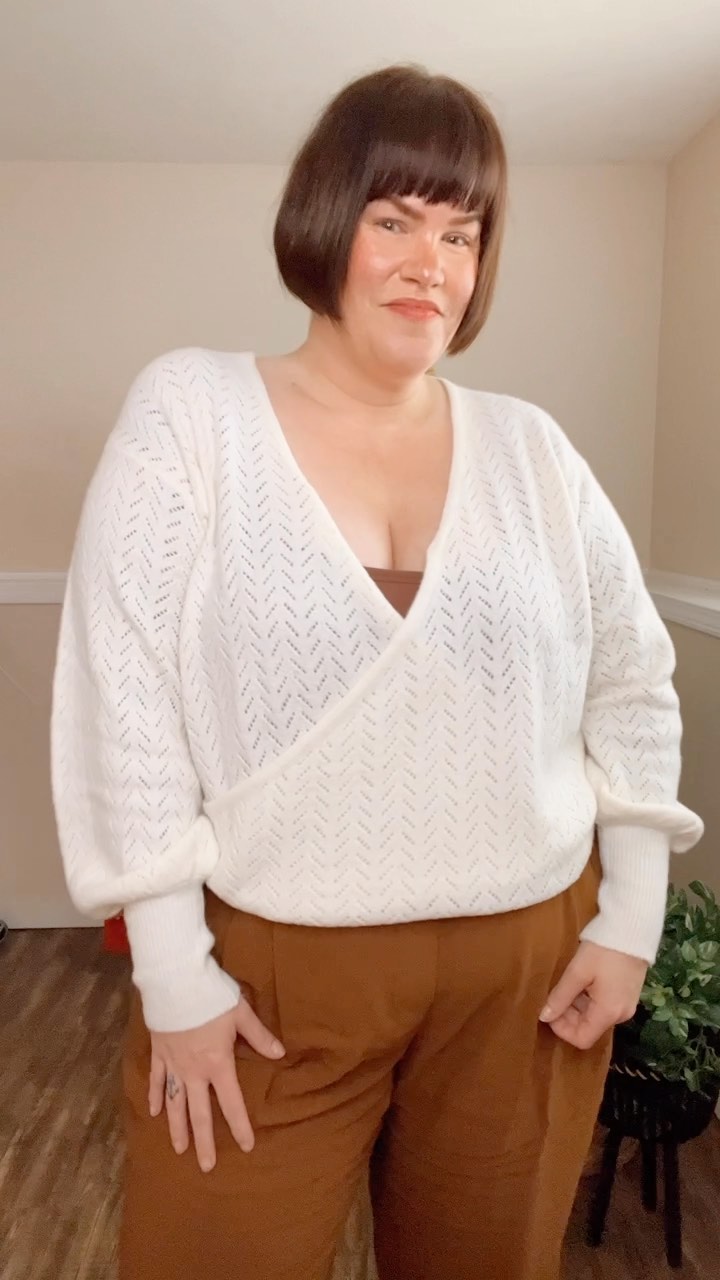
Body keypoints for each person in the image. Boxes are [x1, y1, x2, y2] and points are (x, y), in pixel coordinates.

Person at [50, 64, 704, 1280]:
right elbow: (123, 696)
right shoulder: (194, 413)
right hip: (275, 972)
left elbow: (631, 678)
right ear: (324, 220)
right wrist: (176, 974)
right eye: (395, 219)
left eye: (462, 232)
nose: (430, 265)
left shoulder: (532, 449)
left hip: (527, 972)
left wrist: (631, 913)